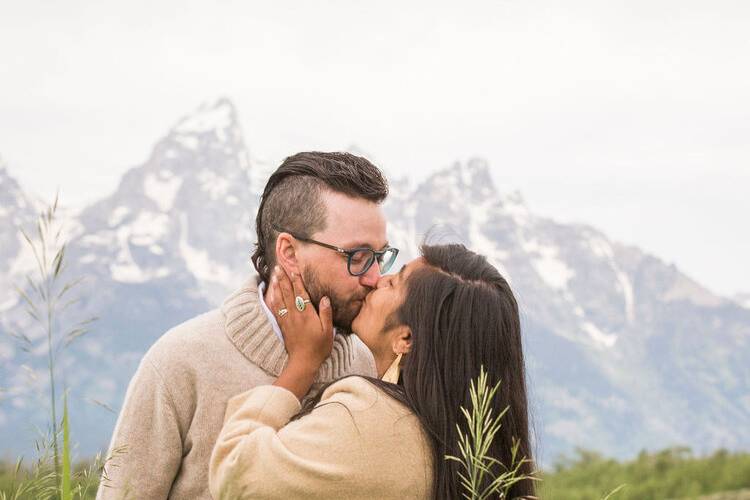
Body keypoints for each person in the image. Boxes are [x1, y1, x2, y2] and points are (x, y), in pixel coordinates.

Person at [98, 152, 399, 499]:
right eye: (357, 257)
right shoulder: (181, 361)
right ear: (288, 252)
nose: (375, 277)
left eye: (379, 257)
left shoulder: (365, 368)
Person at [209, 243, 537, 500]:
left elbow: (236, 475)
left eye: (393, 283)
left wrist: (302, 363)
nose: (377, 279)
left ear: (405, 338)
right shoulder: (470, 445)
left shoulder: (368, 415)